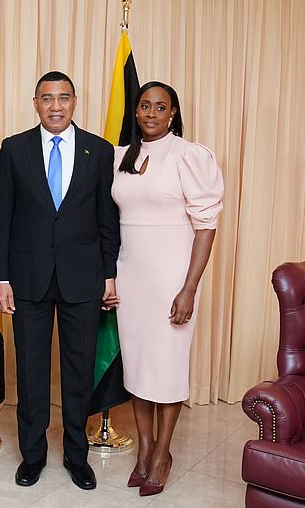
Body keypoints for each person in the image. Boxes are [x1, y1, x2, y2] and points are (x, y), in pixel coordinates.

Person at [0, 71, 120, 490]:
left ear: (75, 102)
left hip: (83, 279)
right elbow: (3, 219)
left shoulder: (98, 151)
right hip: (27, 279)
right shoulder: (13, 149)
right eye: (48, 98)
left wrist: (109, 273)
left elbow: (107, 219)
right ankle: (33, 455)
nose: (56, 106)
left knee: (78, 373)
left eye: (64, 97)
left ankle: (77, 457)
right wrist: (2, 278)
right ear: (35, 103)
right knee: (30, 371)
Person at [112, 81, 224, 496]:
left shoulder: (190, 155)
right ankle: (143, 448)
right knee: (139, 366)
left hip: (172, 278)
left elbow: (206, 226)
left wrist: (189, 288)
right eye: (144, 106)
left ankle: (163, 452)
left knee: (168, 367)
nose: (151, 113)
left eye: (161, 107)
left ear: (173, 113)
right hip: (131, 277)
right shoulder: (121, 156)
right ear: (136, 111)